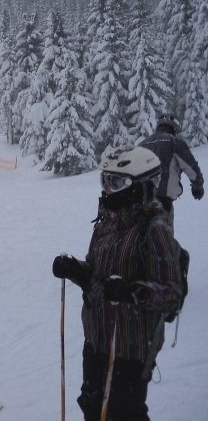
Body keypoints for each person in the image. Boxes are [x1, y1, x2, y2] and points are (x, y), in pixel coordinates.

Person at [52, 147, 184, 421]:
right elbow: (96, 276)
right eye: (105, 181)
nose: (108, 190)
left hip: (130, 347)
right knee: (92, 406)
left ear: (140, 186)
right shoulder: (106, 222)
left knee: (124, 413)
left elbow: (173, 294)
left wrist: (132, 292)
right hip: (97, 338)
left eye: (116, 182)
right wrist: (76, 270)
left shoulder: (155, 229)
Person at [139, 113, 204, 226]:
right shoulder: (175, 142)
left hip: (140, 202)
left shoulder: (142, 144)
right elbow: (191, 168)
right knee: (163, 239)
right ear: (174, 129)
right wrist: (197, 186)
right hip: (162, 202)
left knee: (142, 237)